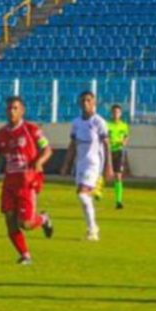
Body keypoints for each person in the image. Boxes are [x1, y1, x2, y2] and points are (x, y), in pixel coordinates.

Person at [0, 96, 55, 265]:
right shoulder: (0, 134)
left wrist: (39, 162)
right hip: (10, 181)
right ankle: (25, 255)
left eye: (15, 108)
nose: (12, 111)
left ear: (22, 111)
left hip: (28, 180)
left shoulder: (32, 129)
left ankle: (43, 219)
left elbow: (47, 149)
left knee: (26, 223)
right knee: (10, 220)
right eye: (9, 108)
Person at [60, 91, 114, 241]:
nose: (86, 103)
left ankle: (93, 230)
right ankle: (92, 228)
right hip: (81, 163)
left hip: (94, 163)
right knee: (82, 195)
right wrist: (66, 164)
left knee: (83, 195)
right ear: (79, 103)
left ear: (94, 103)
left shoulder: (99, 122)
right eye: (83, 100)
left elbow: (106, 145)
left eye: (89, 100)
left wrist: (109, 166)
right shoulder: (76, 123)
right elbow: (72, 144)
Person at [107, 104, 130, 209]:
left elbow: (126, 137)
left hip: (119, 152)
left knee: (118, 175)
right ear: (111, 113)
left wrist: (124, 142)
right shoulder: (107, 125)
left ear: (120, 114)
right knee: (105, 174)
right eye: (114, 112)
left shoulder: (124, 126)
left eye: (117, 112)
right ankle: (98, 193)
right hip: (108, 151)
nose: (115, 114)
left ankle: (118, 201)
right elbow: (105, 137)